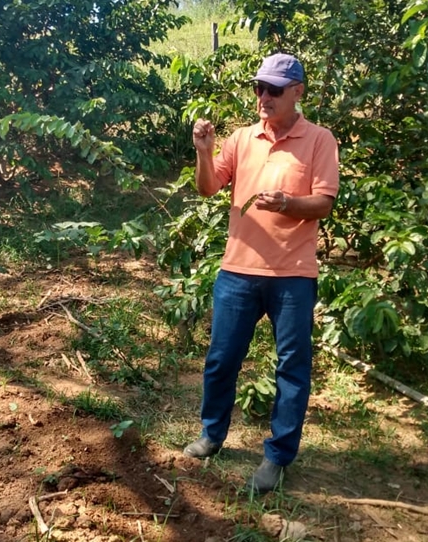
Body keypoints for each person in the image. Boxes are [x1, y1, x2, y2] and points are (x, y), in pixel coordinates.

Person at [184, 53, 339, 494]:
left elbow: (324, 204)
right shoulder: (241, 138)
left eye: (274, 90)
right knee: (221, 360)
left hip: (293, 276)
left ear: (297, 92)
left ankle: (278, 456)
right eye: (259, 88)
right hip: (238, 270)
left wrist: (288, 203)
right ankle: (212, 434)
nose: (263, 97)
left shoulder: (319, 140)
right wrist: (204, 152)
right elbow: (209, 186)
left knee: (292, 369)